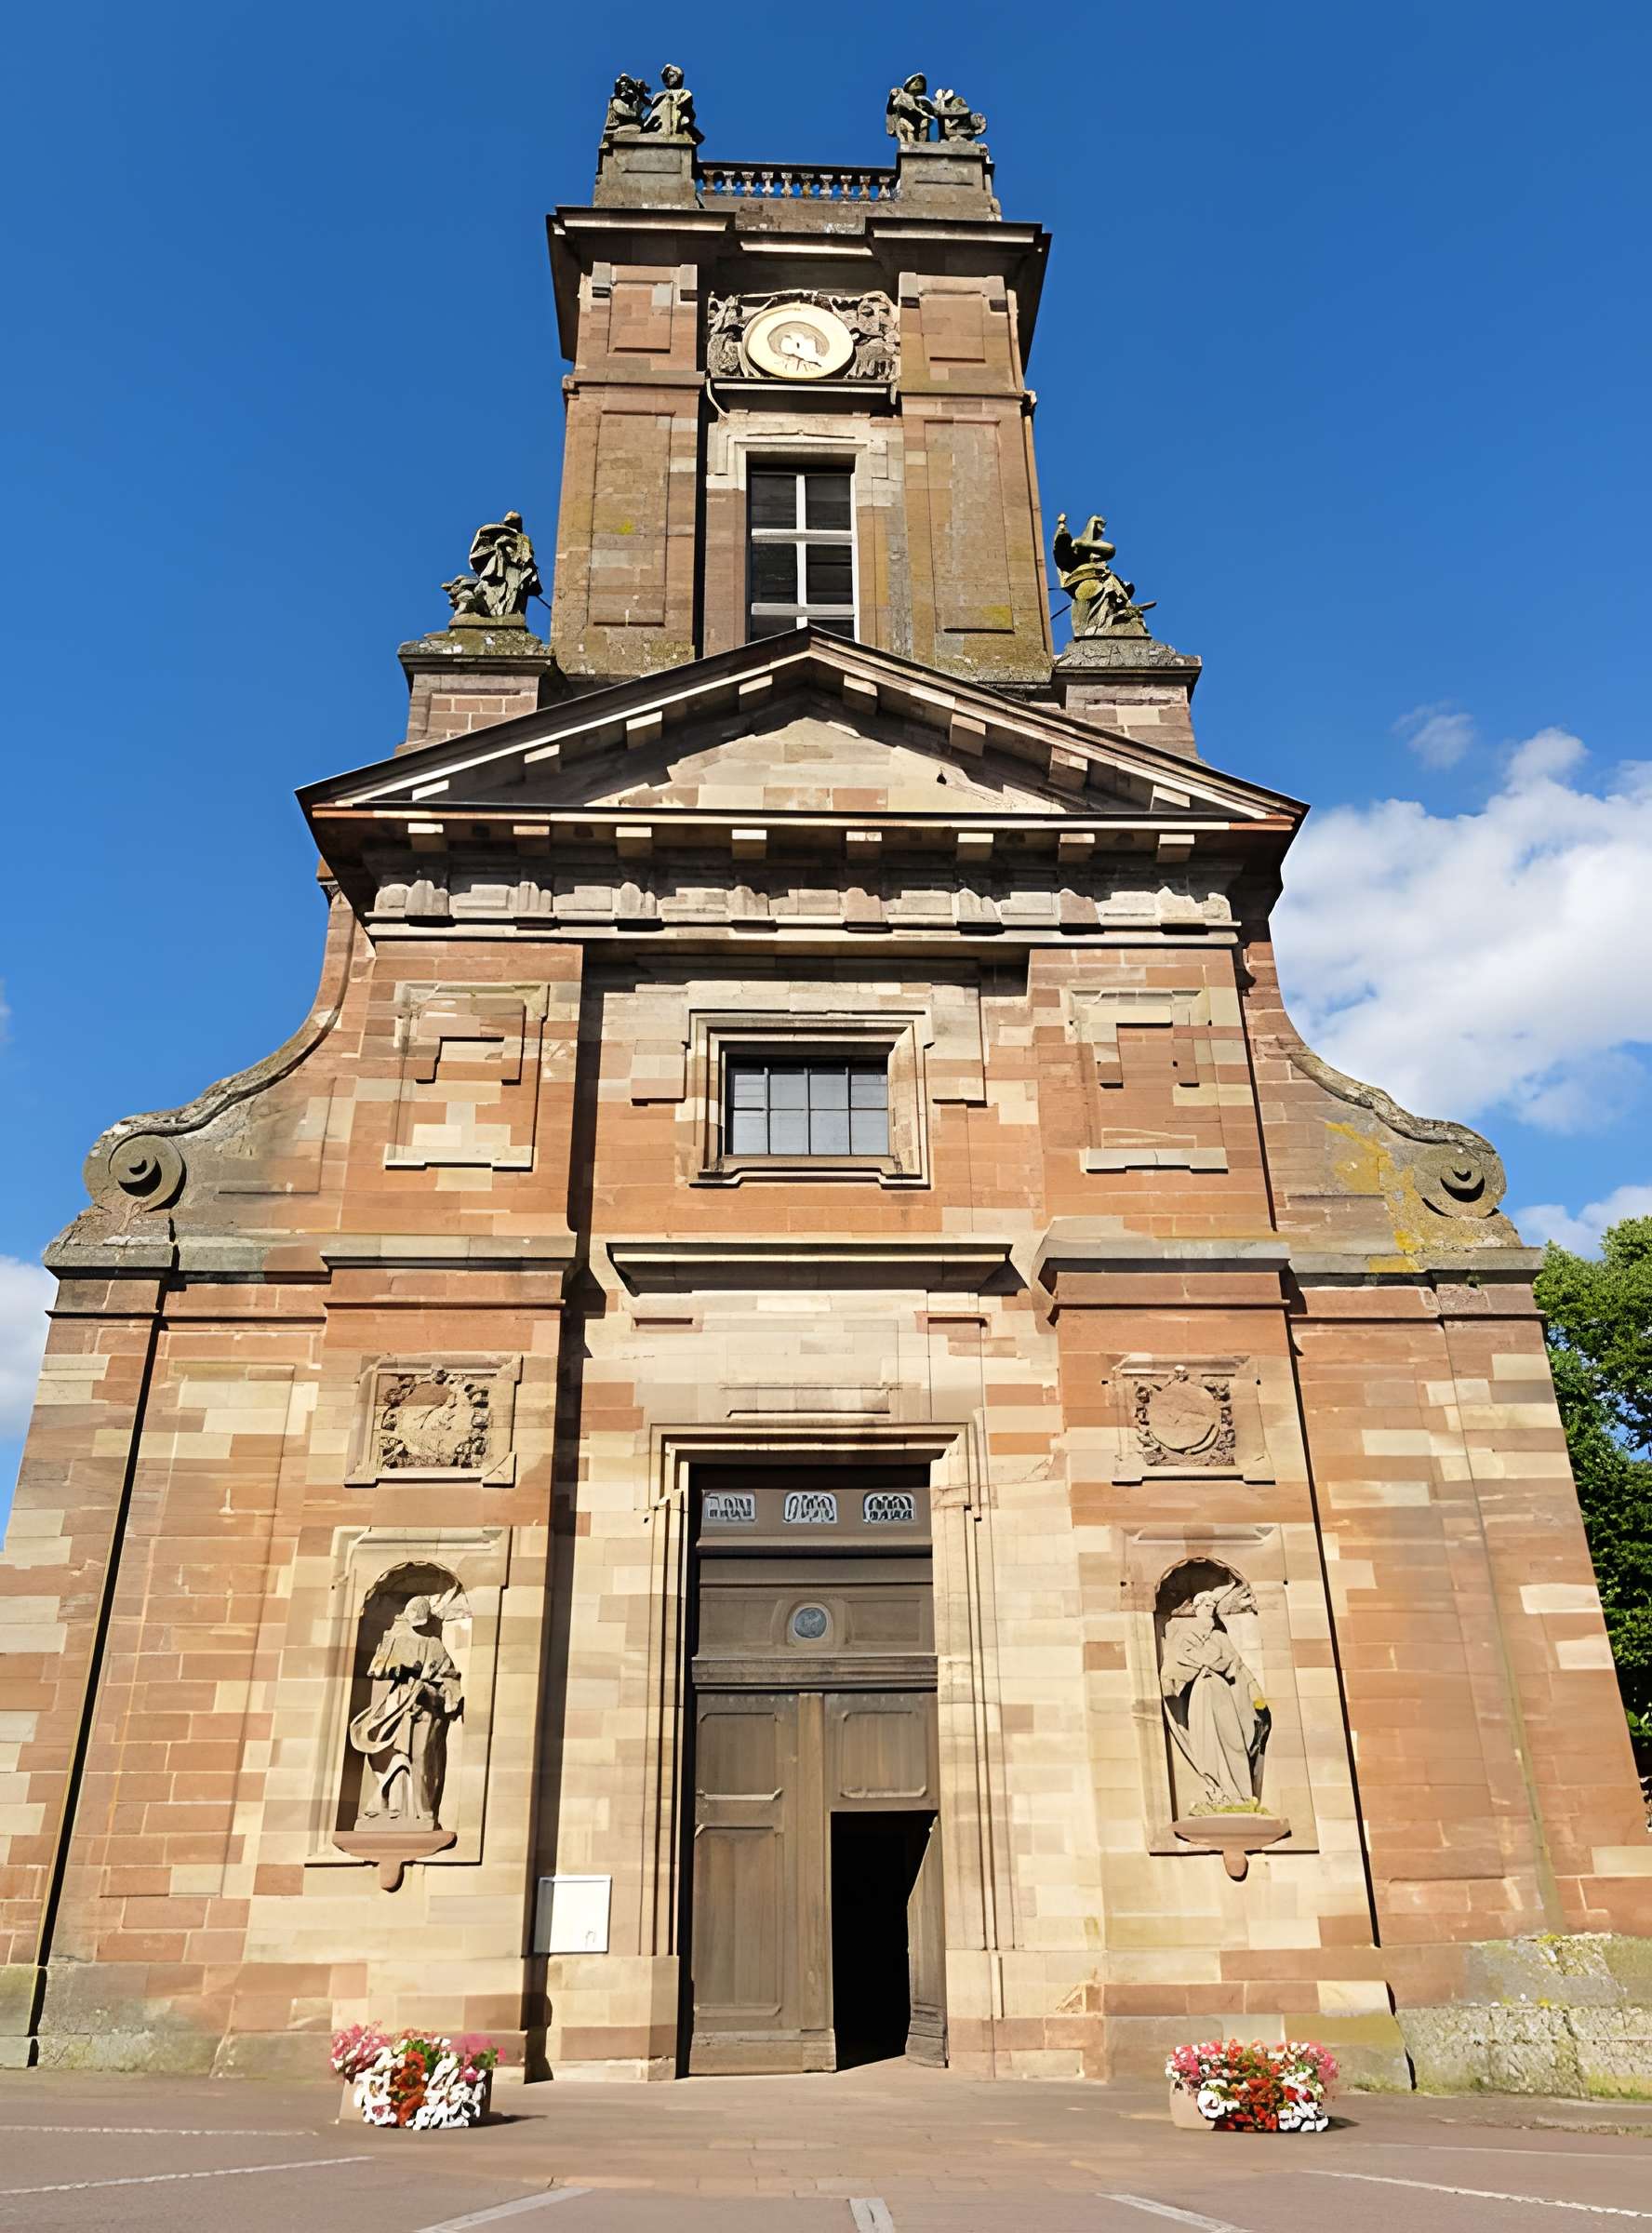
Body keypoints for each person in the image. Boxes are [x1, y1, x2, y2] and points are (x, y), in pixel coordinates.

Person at [349, 1595, 462, 1826]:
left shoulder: (434, 1645)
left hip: (424, 1707)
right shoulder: (395, 1637)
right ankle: (390, 1805)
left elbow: (450, 1683)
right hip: (399, 1703)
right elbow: (378, 1669)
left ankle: (422, 1809)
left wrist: (429, 1689)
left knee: (421, 1755)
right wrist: (398, 1670)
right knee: (391, 1753)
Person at [1159, 1584, 1267, 1807]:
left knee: (1233, 1739)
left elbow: (1233, 1663)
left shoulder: (1220, 1636)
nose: (1210, 1608)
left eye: (1213, 1605)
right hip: (1203, 1690)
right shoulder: (1187, 1634)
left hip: (1222, 1691)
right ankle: (1219, 1790)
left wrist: (1253, 1689)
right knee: (1208, 1743)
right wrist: (1209, 1658)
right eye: (1206, 1604)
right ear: (1197, 1607)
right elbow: (1178, 1665)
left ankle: (1241, 1794)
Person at [466, 511, 540, 620]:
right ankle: (495, 615)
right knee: (493, 592)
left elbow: (528, 554)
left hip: (517, 570)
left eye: (514, 522)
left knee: (514, 594)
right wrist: (500, 544)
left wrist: (527, 564)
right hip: (498, 570)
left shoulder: (524, 538)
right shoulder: (499, 534)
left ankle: (512, 615)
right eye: (510, 522)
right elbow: (487, 548)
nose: (512, 524)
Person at [647, 63, 701, 144]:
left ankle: (690, 136)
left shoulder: (685, 92)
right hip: (662, 118)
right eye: (668, 76)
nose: (670, 79)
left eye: (673, 75)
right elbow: (653, 103)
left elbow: (685, 104)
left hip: (679, 114)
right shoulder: (660, 94)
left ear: (679, 77)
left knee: (684, 121)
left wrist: (675, 102)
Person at [886, 73, 936, 144]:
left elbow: (933, 113)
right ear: (908, 85)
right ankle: (908, 143)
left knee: (924, 122)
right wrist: (892, 98)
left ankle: (922, 144)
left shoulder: (924, 100)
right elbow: (891, 112)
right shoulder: (901, 97)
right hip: (906, 126)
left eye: (920, 82)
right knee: (903, 123)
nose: (917, 83)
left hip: (921, 127)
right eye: (914, 81)